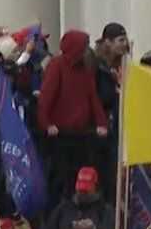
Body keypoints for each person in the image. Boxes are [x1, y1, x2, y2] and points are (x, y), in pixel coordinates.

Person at [38, 29, 108, 197]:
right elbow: (46, 97)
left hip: (81, 133)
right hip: (61, 134)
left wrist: (102, 123)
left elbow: (92, 97)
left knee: (80, 172)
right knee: (61, 177)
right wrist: (47, 124)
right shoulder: (57, 66)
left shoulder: (85, 69)